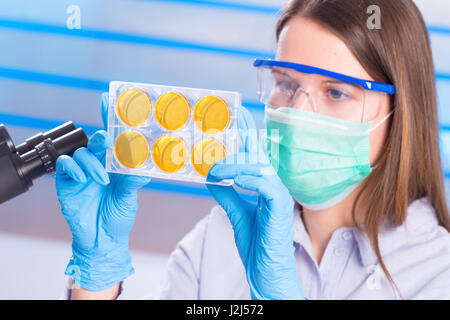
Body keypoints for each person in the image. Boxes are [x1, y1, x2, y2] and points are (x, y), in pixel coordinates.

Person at [56, 0, 450, 300]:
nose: (296, 113)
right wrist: (97, 280)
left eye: (335, 92)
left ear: (400, 112)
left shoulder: (437, 275)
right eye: (286, 83)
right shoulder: (216, 242)